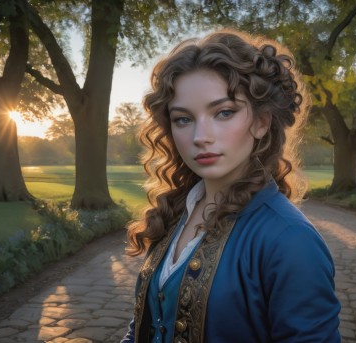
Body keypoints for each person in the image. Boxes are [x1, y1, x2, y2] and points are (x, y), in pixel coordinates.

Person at [121, 29, 341, 343]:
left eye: (224, 112)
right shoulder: (174, 213)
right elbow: (143, 325)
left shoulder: (291, 241)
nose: (200, 136)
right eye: (183, 119)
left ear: (261, 122)